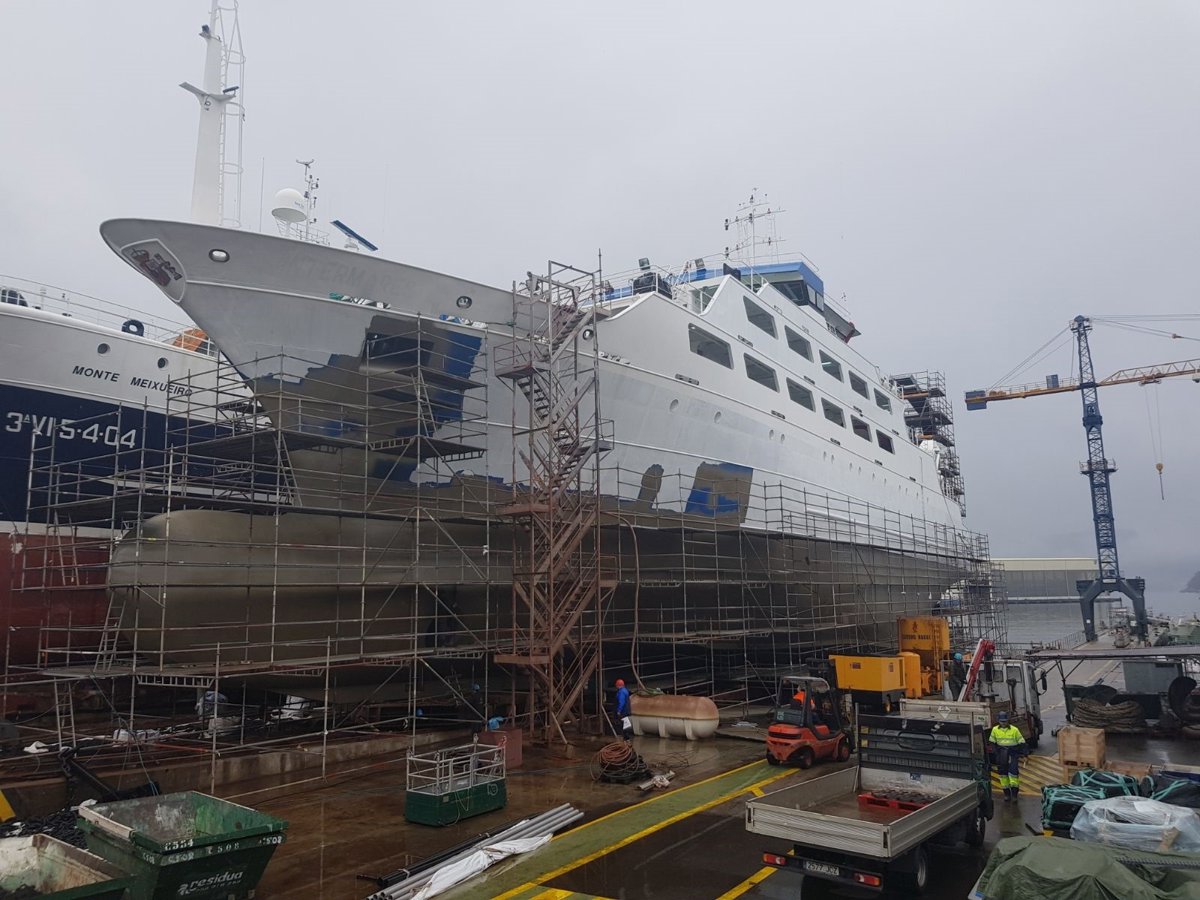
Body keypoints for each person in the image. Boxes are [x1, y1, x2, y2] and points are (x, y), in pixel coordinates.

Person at [988, 710, 1027, 801]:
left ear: (1007, 720)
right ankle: (1006, 794)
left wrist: (1025, 754)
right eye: (1002, 721)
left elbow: (1022, 743)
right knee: (1003, 774)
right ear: (998, 721)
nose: (1003, 723)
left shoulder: (1014, 730)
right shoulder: (995, 730)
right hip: (1001, 754)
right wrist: (995, 753)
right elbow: (992, 743)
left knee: (1013, 774)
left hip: (1012, 754)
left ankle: (1014, 794)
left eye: (1005, 721)